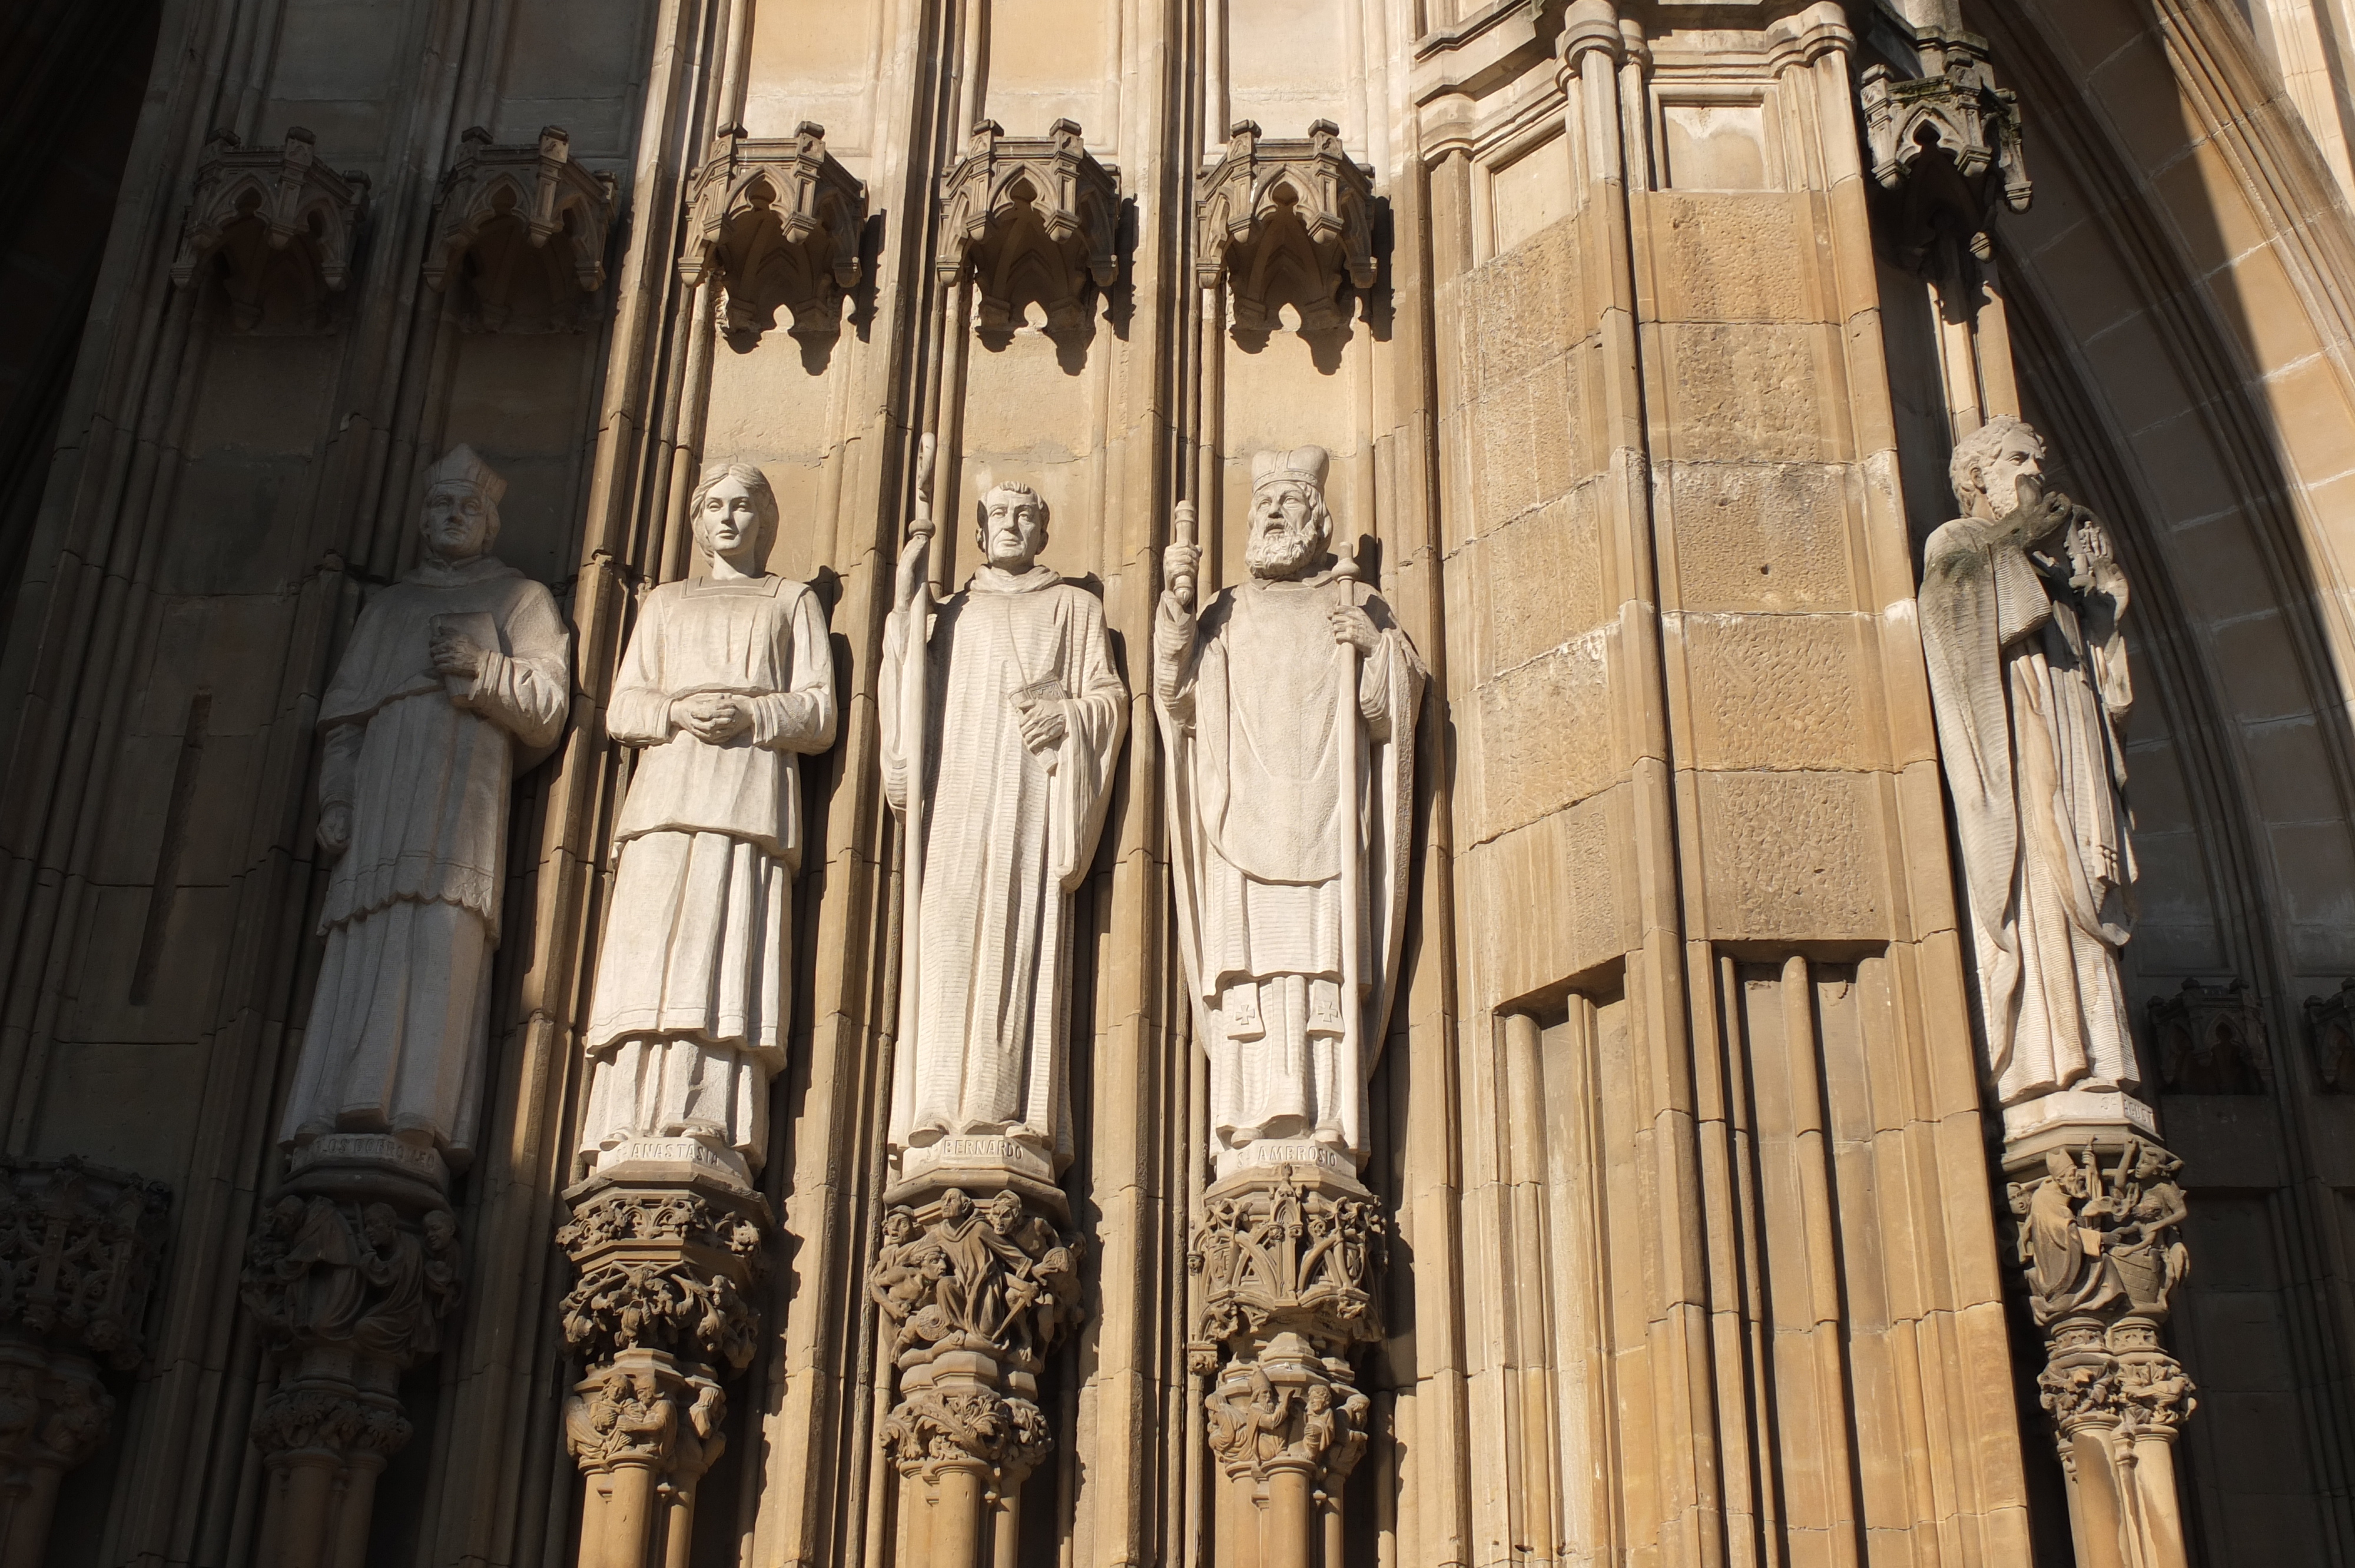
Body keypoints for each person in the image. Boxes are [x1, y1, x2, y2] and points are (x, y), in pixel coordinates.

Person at [283, 445, 570, 1170]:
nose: (452, 516)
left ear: (491, 523)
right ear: (419, 519)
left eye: (467, 507)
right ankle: (335, 1107)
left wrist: (483, 668)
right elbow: (345, 723)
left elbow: (547, 710)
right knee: (367, 935)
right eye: (440, 505)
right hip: (381, 809)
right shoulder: (390, 608)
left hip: (459, 807)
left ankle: (420, 1117)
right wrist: (338, 797)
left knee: (443, 931)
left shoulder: (522, 600)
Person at [1155, 447, 1424, 1175]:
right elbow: (1178, 702)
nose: (1273, 515)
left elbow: (1387, 712)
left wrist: (1377, 651)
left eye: (1288, 504)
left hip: (1326, 821)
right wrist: (1177, 613)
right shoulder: (1226, 613)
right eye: (1263, 505)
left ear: (1317, 518)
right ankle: (1246, 1116)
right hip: (1245, 823)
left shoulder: (1352, 603)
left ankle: (1326, 1114)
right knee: (1255, 975)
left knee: (1317, 977)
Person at [578, 463, 837, 1185]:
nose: (728, 519)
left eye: (744, 506)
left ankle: (711, 1115)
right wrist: (673, 711)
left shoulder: (791, 602)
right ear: (695, 522)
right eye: (715, 506)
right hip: (666, 799)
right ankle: (629, 1116)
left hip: (748, 799)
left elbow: (819, 711)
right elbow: (624, 706)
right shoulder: (665, 603)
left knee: (725, 950)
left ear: (767, 519)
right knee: (651, 953)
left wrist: (754, 712)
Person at [880, 481, 1126, 1178]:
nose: (1011, 525)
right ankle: (934, 1105)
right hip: (956, 802)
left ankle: (1005, 1103)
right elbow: (908, 703)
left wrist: (1071, 719)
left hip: (1027, 799)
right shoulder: (950, 614)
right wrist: (905, 609)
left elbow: (1107, 698)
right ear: (980, 533)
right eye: (997, 516)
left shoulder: (1075, 608)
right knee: (948, 940)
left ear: (1044, 532)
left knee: (1016, 945)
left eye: (1026, 515)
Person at [1919, 417, 2140, 1111]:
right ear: (1975, 477)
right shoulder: (1957, 542)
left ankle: (2102, 1056)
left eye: (2037, 458)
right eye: (2015, 458)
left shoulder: (2051, 556)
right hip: (2019, 739)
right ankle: (2046, 1062)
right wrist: (2018, 541)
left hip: (2074, 732)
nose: (2030, 470)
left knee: (2083, 866)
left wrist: (2099, 589)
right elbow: (1952, 612)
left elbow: (2107, 675)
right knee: (2042, 877)